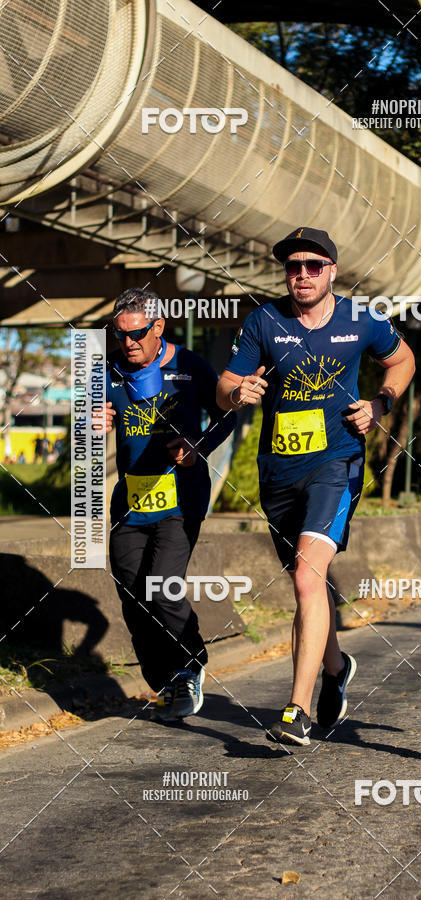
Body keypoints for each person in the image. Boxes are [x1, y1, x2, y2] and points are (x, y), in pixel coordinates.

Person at [216, 227, 415, 745]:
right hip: (278, 473)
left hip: (337, 464)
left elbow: (403, 359)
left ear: (331, 270)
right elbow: (222, 386)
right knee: (309, 582)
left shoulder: (360, 320)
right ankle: (334, 668)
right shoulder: (264, 320)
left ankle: (296, 711)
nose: (301, 274)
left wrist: (380, 403)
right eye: (292, 267)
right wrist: (239, 392)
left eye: (312, 265)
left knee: (307, 576)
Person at [103, 288, 235, 718]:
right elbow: (85, 424)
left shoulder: (189, 365)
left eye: (137, 334)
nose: (128, 343)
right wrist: (90, 420)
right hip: (131, 499)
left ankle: (190, 663)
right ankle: (164, 680)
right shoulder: (108, 370)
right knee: (130, 590)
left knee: (162, 585)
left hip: (181, 499)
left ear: (158, 327)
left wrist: (198, 445)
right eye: (119, 335)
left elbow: (227, 414)